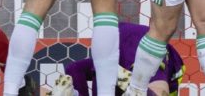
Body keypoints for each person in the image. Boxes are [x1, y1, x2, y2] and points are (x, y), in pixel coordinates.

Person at [49, 22, 184, 96]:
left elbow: (74, 68)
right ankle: (125, 78)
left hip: (114, 35)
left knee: (77, 69)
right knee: (158, 89)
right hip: (143, 43)